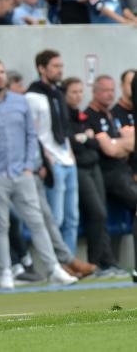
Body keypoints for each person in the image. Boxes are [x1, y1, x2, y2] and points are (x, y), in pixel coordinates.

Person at [0, 59, 78, 289]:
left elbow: (32, 136)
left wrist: (28, 166)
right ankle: (5, 273)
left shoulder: (20, 102)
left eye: (2, 72)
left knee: (37, 221)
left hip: (23, 173)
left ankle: (53, 269)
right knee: (0, 224)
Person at [64, 77, 126, 277]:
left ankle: (105, 262)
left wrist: (87, 140)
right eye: (73, 92)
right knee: (96, 213)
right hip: (79, 169)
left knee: (102, 214)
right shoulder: (68, 117)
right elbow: (75, 143)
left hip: (94, 166)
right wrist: (85, 139)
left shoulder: (81, 116)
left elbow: (93, 144)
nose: (77, 96)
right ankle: (96, 262)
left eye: (80, 91)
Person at [25, 50, 80, 255]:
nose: (60, 70)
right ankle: (57, 263)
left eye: (61, 66)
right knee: (55, 217)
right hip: (51, 161)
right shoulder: (32, 96)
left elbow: (64, 127)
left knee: (72, 216)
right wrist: (43, 160)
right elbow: (32, 131)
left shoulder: (58, 93)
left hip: (67, 158)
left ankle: (71, 260)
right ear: (42, 68)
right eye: (55, 66)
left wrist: (70, 153)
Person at [84, 75, 135, 279]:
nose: (109, 94)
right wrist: (121, 145)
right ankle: (103, 263)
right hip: (106, 174)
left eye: (112, 90)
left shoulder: (110, 115)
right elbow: (111, 151)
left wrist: (120, 145)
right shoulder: (90, 116)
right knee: (100, 214)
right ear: (95, 92)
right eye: (105, 90)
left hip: (123, 172)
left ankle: (111, 261)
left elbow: (128, 148)